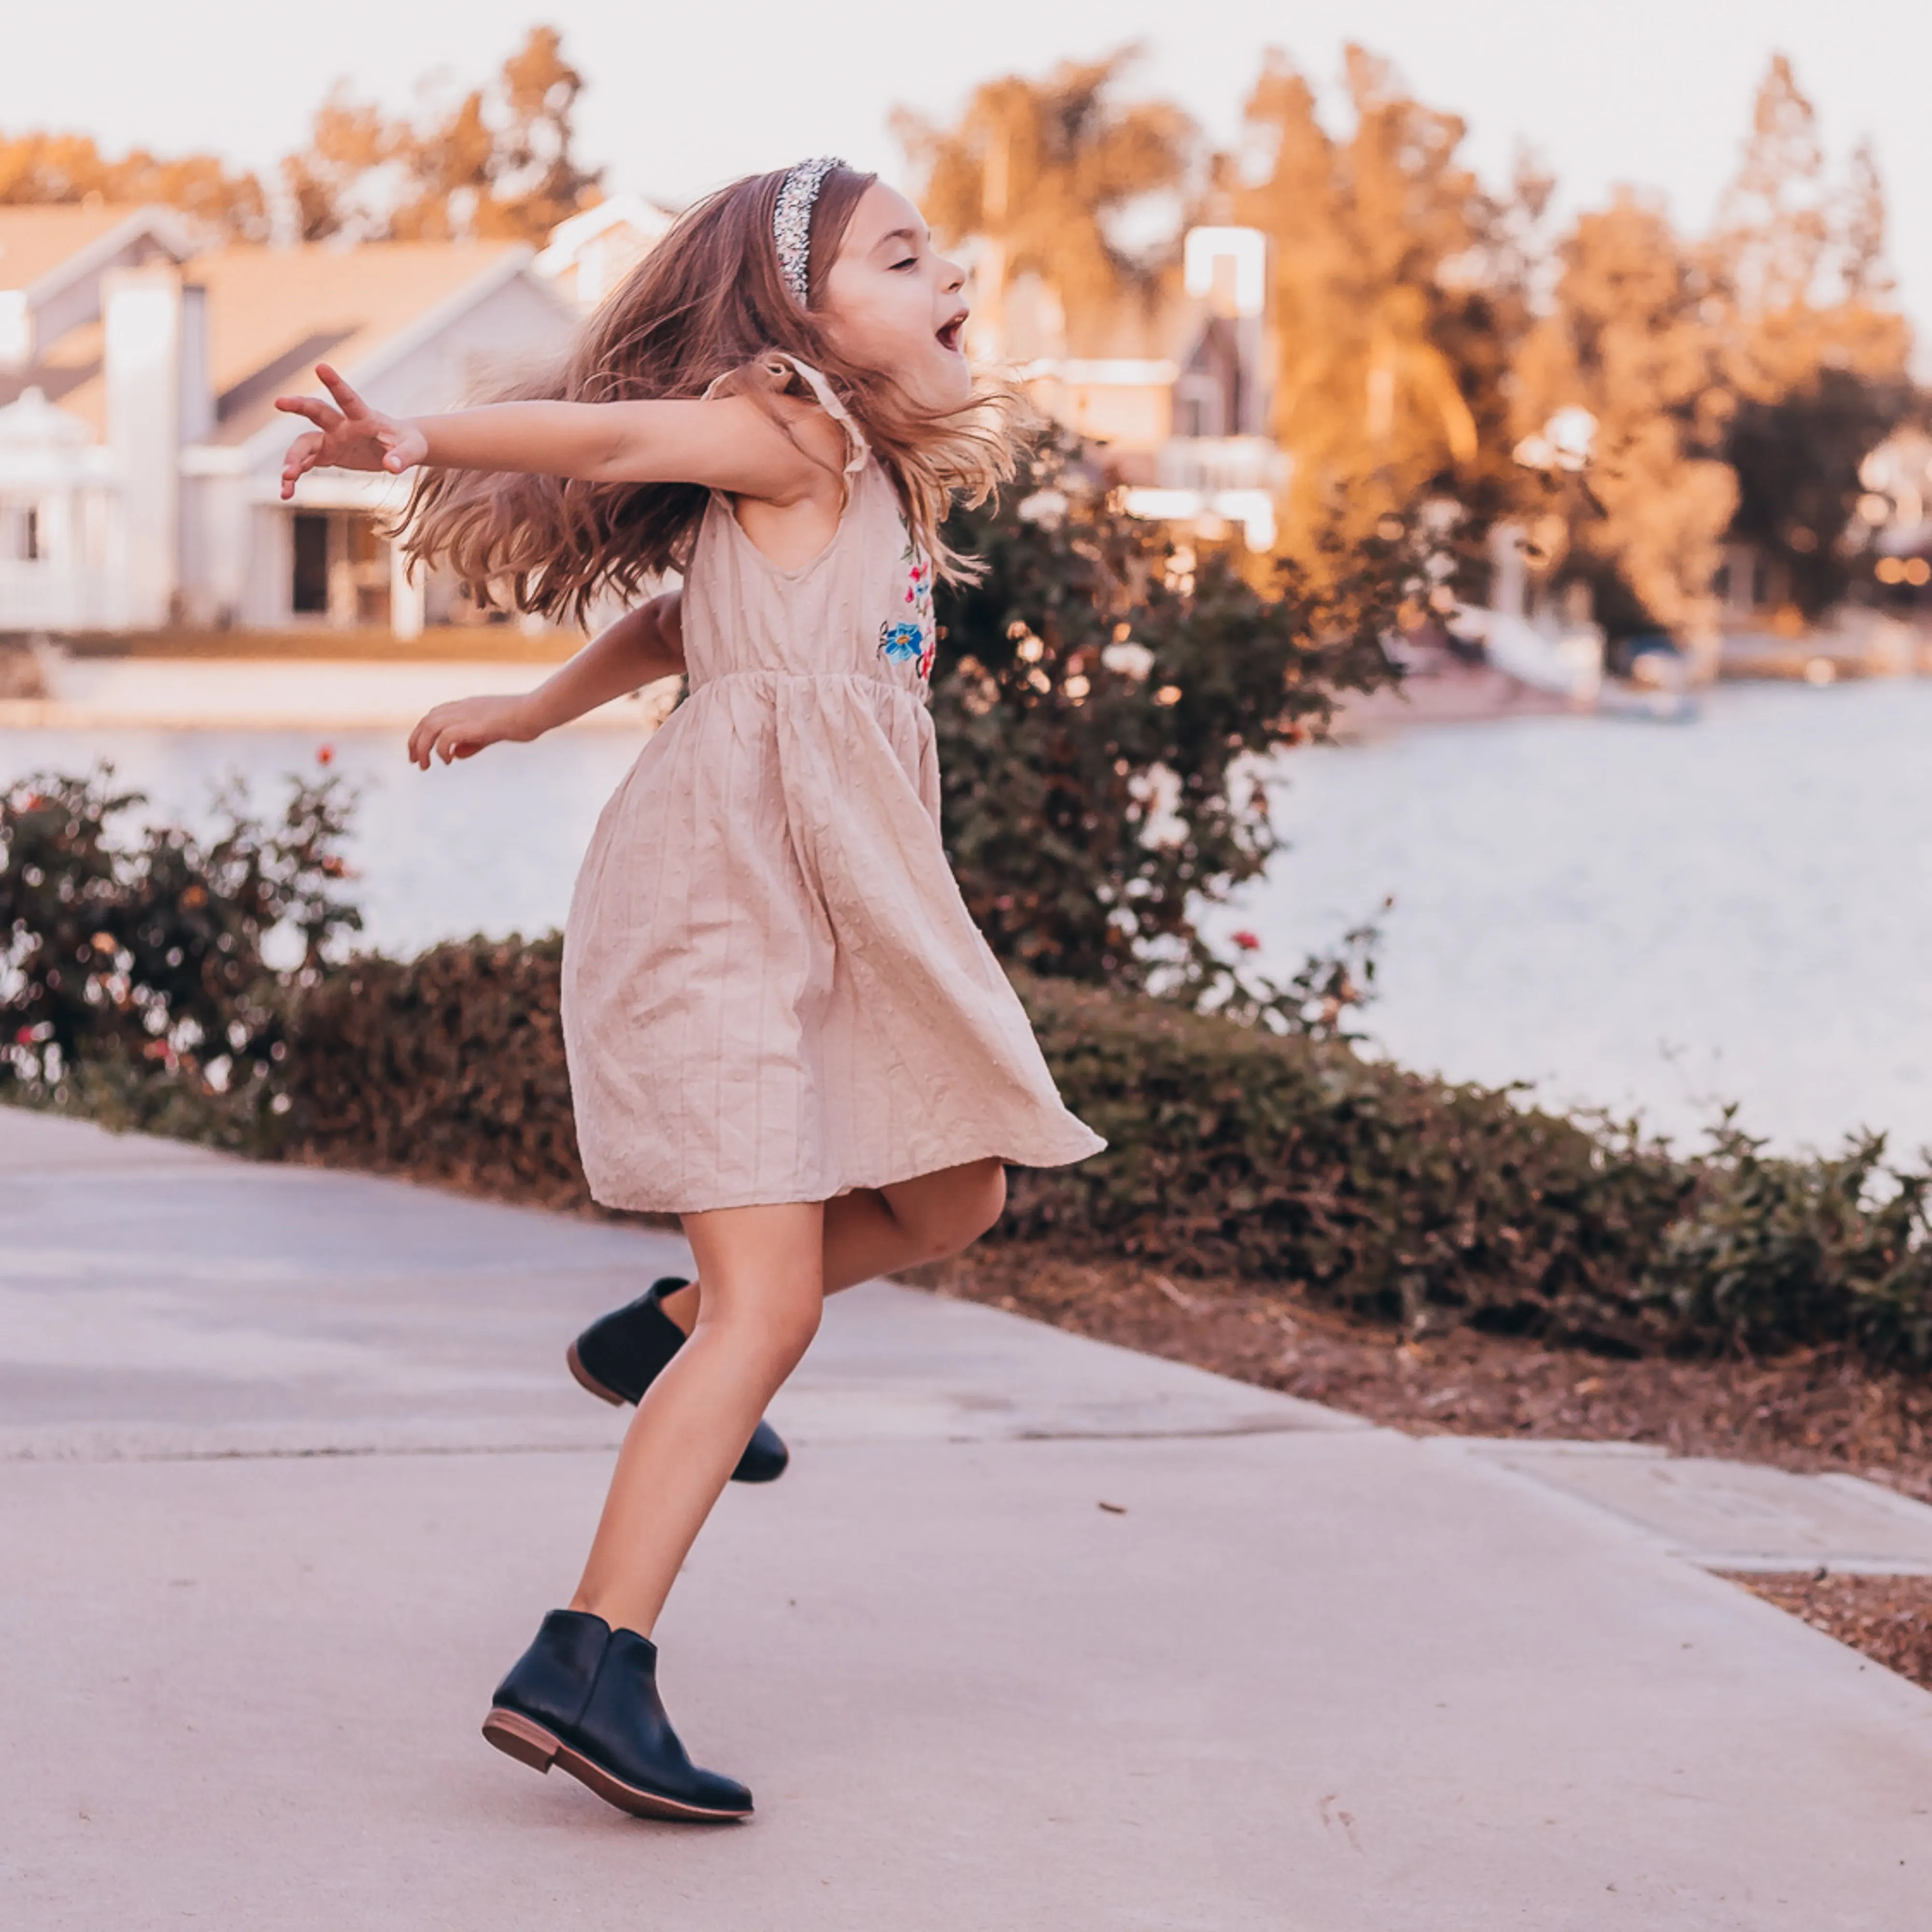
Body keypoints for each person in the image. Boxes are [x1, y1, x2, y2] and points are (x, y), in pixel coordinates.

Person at [276, 158, 1103, 1824]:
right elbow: (614, 443)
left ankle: (656, 1340)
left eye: (938, 248)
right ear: (800, 313)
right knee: (775, 1310)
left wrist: (536, 703)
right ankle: (588, 1663)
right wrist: (420, 441)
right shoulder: (782, 422)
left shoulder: (856, 477)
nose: (950, 270)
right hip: (720, 921)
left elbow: (677, 616)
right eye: (901, 252)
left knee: (955, 1191)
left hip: (834, 920)